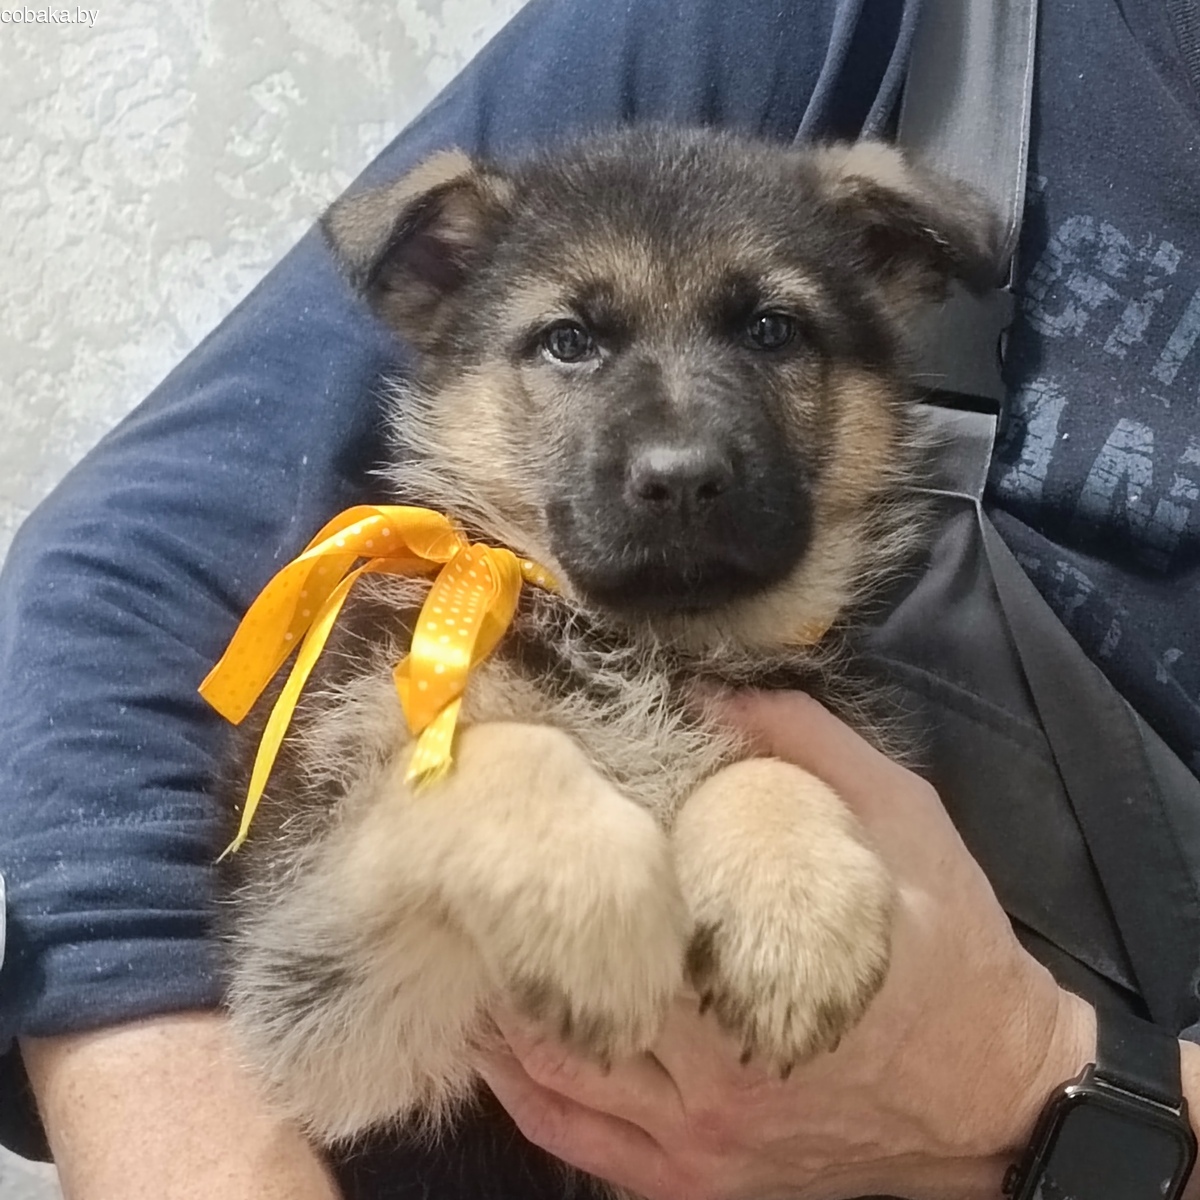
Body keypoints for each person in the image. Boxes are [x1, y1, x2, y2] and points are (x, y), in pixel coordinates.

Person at [2, 0, 1199, 1197]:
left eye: (770, 330)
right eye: (571, 343)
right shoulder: (410, 665)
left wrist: (782, 824)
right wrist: (482, 796)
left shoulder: (837, 742)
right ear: (439, 317)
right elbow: (321, 1051)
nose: (678, 446)